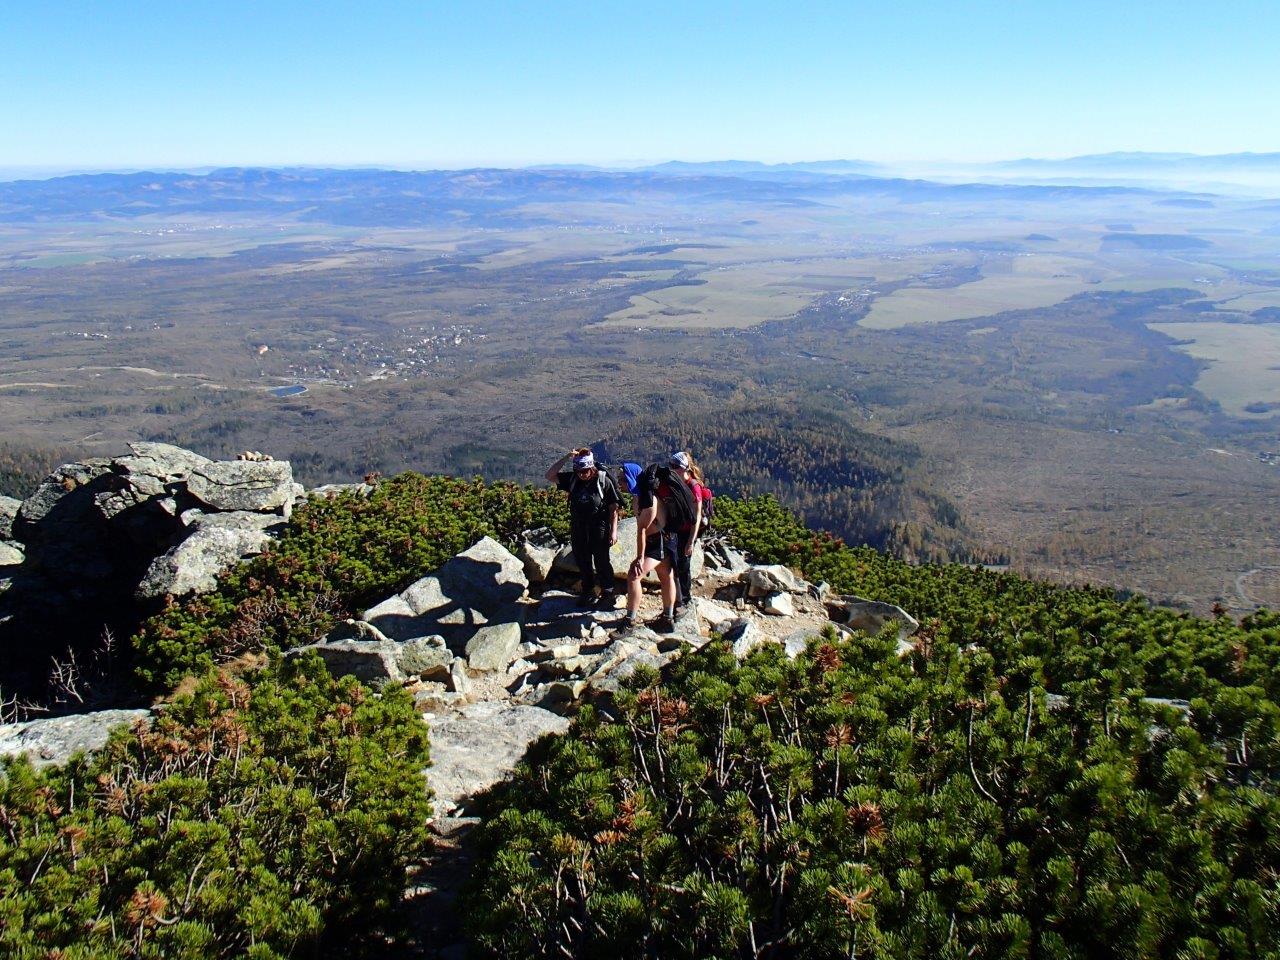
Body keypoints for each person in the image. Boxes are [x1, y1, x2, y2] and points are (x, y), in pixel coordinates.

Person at [546, 448, 623, 606]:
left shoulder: (603, 481)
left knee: (602, 561)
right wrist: (568, 457)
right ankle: (588, 591)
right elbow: (550, 476)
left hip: (599, 528)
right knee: (583, 560)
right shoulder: (573, 479)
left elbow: (613, 508)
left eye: (585, 471)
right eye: (579, 470)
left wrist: (613, 531)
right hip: (578, 527)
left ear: (591, 468)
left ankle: (607, 593)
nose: (582, 474)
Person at [616, 461, 680, 633]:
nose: (619, 482)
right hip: (665, 541)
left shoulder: (648, 499)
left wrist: (639, 558)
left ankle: (630, 622)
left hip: (657, 542)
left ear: (631, 478)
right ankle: (668, 618)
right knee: (666, 576)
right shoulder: (641, 496)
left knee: (634, 575)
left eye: (622, 479)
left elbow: (642, 530)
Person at [667, 451, 704, 609]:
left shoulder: (694, 487)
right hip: (677, 529)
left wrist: (691, 541)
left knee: (683, 565)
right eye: (671, 466)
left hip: (688, 531)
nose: (672, 469)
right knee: (675, 563)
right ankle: (678, 596)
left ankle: (685, 598)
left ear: (684, 468)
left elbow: (697, 517)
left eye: (675, 466)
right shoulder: (677, 482)